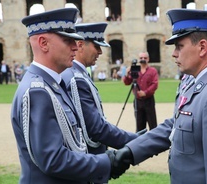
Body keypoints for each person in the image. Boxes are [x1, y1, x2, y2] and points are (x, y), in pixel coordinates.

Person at [113, 9, 207, 183]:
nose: (174, 53)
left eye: (179, 46)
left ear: (202, 47)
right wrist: (131, 151)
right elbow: (178, 124)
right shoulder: (201, 82)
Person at [11, 8, 128, 184]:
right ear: (43, 43)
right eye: (68, 41)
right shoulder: (38, 91)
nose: (76, 46)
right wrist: (107, 162)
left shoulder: (53, 84)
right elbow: (54, 160)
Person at [61, 22, 140, 157]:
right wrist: (135, 141)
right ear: (80, 45)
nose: (100, 51)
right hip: (90, 157)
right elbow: (96, 128)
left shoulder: (77, 73)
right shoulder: (76, 79)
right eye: (96, 46)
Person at [123, 51, 158, 132]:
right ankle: (140, 143)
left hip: (149, 100)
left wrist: (145, 92)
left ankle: (155, 143)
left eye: (145, 58)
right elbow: (127, 82)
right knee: (139, 125)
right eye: (141, 58)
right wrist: (126, 74)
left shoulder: (152, 71)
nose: (143, 59)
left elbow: (155, 84)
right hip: (138, 101)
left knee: (153, 124)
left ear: (148, 59)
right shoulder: (134, 70)